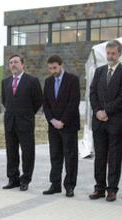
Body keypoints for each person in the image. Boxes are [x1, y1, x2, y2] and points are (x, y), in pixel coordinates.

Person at [88, 40, 122, 202]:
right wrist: (98, 111)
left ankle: (112, 190)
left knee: (114, 157)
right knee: (99, 156)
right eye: (108, 53)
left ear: (119, 54)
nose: (110, 56)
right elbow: (92, 93)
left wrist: (107, 111)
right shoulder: (99, 71)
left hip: (115, 122)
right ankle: (99, 188)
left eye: (113, 53)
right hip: (99, 121)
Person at [1, 54, 43, 191]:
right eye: (11, 62)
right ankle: (13, 179)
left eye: (16, 62)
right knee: (11, 152)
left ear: (22, 65)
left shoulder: (32, 81)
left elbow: (37, 101)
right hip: (10, 123)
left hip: (25, 122)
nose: (13, 64)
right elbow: (4, 101)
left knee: (27, 153)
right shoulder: (5, 82)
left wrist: (27, 114)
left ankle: (25, 179)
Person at [42, 55, 80, 197]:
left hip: (68, 125)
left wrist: (62, 121)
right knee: (55, 155)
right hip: (53, 126)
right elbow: (45, 103)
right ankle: (55, 184)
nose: (53, 71)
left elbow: (73, 102)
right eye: (50, 68)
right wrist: (52, 120)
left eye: (55, 68)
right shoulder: (48, 81)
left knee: (70, 157)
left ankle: (70, 186)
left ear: (61, 65)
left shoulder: (72, 80)